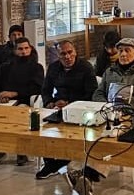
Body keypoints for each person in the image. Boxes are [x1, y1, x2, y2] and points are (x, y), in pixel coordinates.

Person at [78, 38, 134, 195]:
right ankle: (86, 174)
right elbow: (98, 93)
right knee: (95, 132)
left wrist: (130, 110)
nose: (123, 54)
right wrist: (105, 106)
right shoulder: (110, 72)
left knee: (114, 136)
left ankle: (88, 174)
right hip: (110, 113)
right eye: (121, 51)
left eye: (128, 50)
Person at [36, 40, 98, 180]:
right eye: (63, 54)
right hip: (58, 108)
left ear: (75, 52)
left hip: (80, 109)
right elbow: (45, 90)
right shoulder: (53, 68)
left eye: (70, 52)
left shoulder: (85, 67)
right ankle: (50, 164)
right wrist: (49, 103)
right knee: (44, 129)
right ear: (58, 56)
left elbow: (92, 93)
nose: (67, 57)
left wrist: (70, 104)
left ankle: (69, 161)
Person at [0, 37, 44, 167]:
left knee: (19, 113)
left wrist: (14, 94)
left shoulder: (36, 68)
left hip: (24, 101)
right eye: (20, 49)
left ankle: (21, 151)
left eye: (26, 48)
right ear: (15, 51)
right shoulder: (5, 67)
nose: (23, 52)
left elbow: (36, 88)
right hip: (4, 102)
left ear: (30, 49)